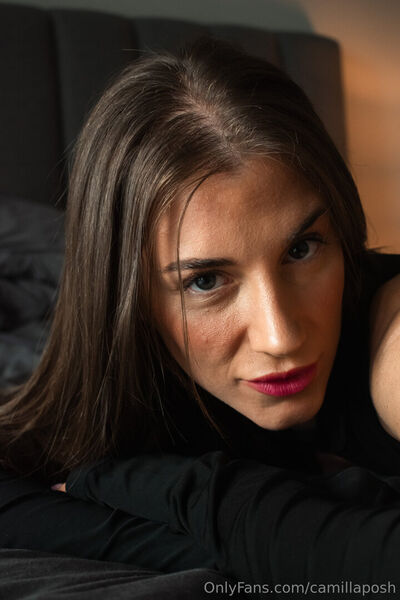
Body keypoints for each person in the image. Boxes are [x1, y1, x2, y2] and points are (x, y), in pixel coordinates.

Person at [1, 37, 400, 594]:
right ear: (129, 294)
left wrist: (200, 497)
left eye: (301, 249)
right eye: (206, 280)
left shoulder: (392, 333)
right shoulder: (126, 392)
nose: (280, 336)